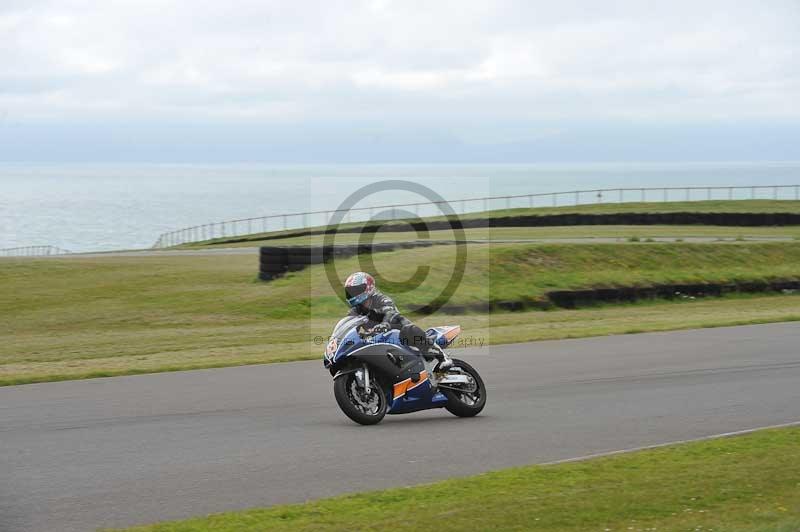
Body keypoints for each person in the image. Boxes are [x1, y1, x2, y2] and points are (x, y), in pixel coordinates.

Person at [344, 271, 452, 371]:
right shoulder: (355, 311)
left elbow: (390, 310)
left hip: (400, 333)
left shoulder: (380, 299)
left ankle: (442, 357)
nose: (353, 294)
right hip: (378, 340)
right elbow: (348, 326)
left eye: (356, 290)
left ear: (368, 287)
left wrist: (385, 323)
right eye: (351, 292)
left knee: (409, 329)